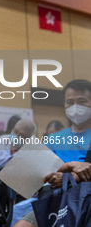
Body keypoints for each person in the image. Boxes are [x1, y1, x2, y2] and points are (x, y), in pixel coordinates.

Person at [15, 79, 91, 227]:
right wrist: (68, 166)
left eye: (82, 101)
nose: (75, 107)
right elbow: (21, 177)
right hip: (54, 201)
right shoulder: (53, 139)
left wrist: (69, 177)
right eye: (70, 102)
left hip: (85, 199)